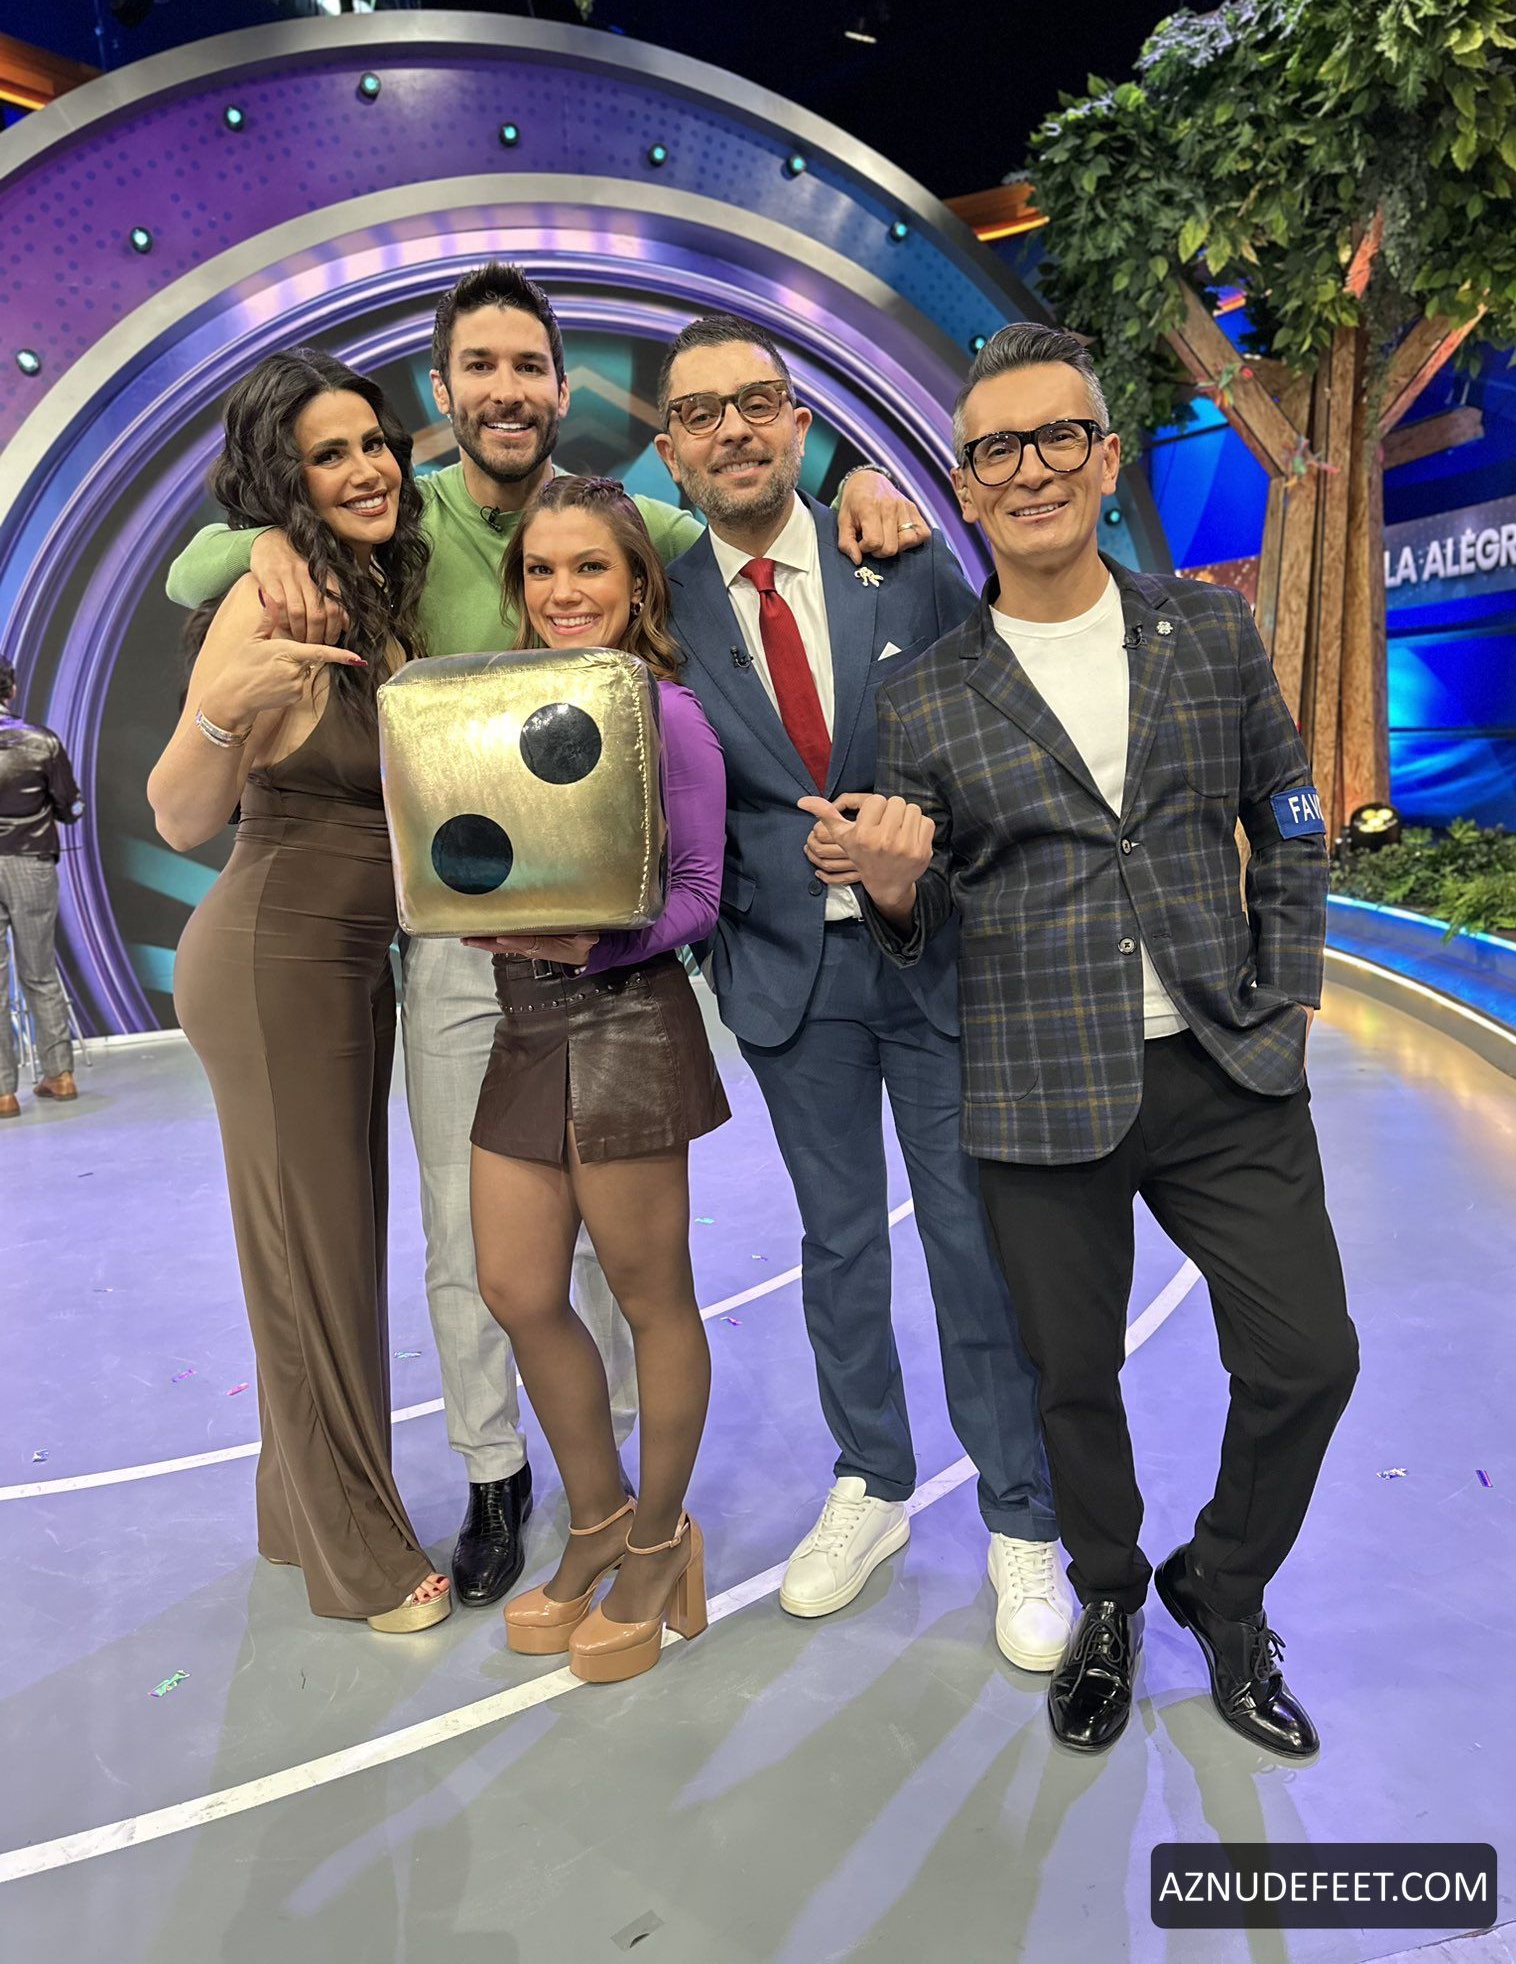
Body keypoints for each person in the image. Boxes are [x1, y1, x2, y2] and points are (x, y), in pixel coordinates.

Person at [165, 265, 926, 1611]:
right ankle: (499, 1474)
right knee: (475, 1247)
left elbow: (757, 511)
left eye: (529, 365)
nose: (506, 389)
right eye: (481, 367)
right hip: (460, 953)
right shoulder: (401, 516)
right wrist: (265, 542)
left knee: (620, 1264)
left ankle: (623, 1494)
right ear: (444, 392)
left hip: (613, 960)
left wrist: (862, 482)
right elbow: (195, 563)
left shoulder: (623, 516)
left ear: (561, 389)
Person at [811, 322, 1359, 1756]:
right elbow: (922, 921)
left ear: (1107, 460)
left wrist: (1289, 994)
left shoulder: (1210, 632)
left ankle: (1222, 1588)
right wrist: (893, 888)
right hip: (1037, 1087)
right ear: (965, 487)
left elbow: (1292, 815)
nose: (1032, 468)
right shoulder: (924, 694)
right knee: (1070, 1378)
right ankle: (1108, 1594)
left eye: (1060, 436)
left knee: (1310, 1357)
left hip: (1228, 1066)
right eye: (997, 449)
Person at [653, 314, 1069, 1672]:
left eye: (758, 401)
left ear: (800, 424)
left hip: (938, 957)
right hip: (787, 977)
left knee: (972, 1243)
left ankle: (1021, 1517)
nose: (733, 430)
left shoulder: (900, 558)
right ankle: (873, 1480)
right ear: (670, 448)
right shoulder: (663, 606)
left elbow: (994, 754)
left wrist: (919, 857)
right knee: (837, 1244)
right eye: (701, 412)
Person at [148, 348, 452, 1632]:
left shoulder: (373, 590)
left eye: (373, 442)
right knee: (311, 1261)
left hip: (346, 962)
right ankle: (362, 1558)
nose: (367, 467)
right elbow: (177, 814)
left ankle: (297, 1509)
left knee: (329, 1245)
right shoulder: (264, 599)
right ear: (287, 480)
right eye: (331, 454)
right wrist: (224, 709)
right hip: (273, 957)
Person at [467, 476, 727, 1684]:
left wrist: (599, 944)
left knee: (649, 1296)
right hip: (522, 1022)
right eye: (542, 568)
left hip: (626, 1017)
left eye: (590, 568)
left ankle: (663, 1542)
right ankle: (600, 1514)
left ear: (637, 584)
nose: (563, 590)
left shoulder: (665, 712)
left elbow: (702, 892)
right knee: (516, 1285)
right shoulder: (489, 709)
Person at [0, 655, 83, 1119]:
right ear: (10, 689)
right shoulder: (42, 741)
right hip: (32, 863)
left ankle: (3, 1092)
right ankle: (60, 1074)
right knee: (40, 973)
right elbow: (70, 806)